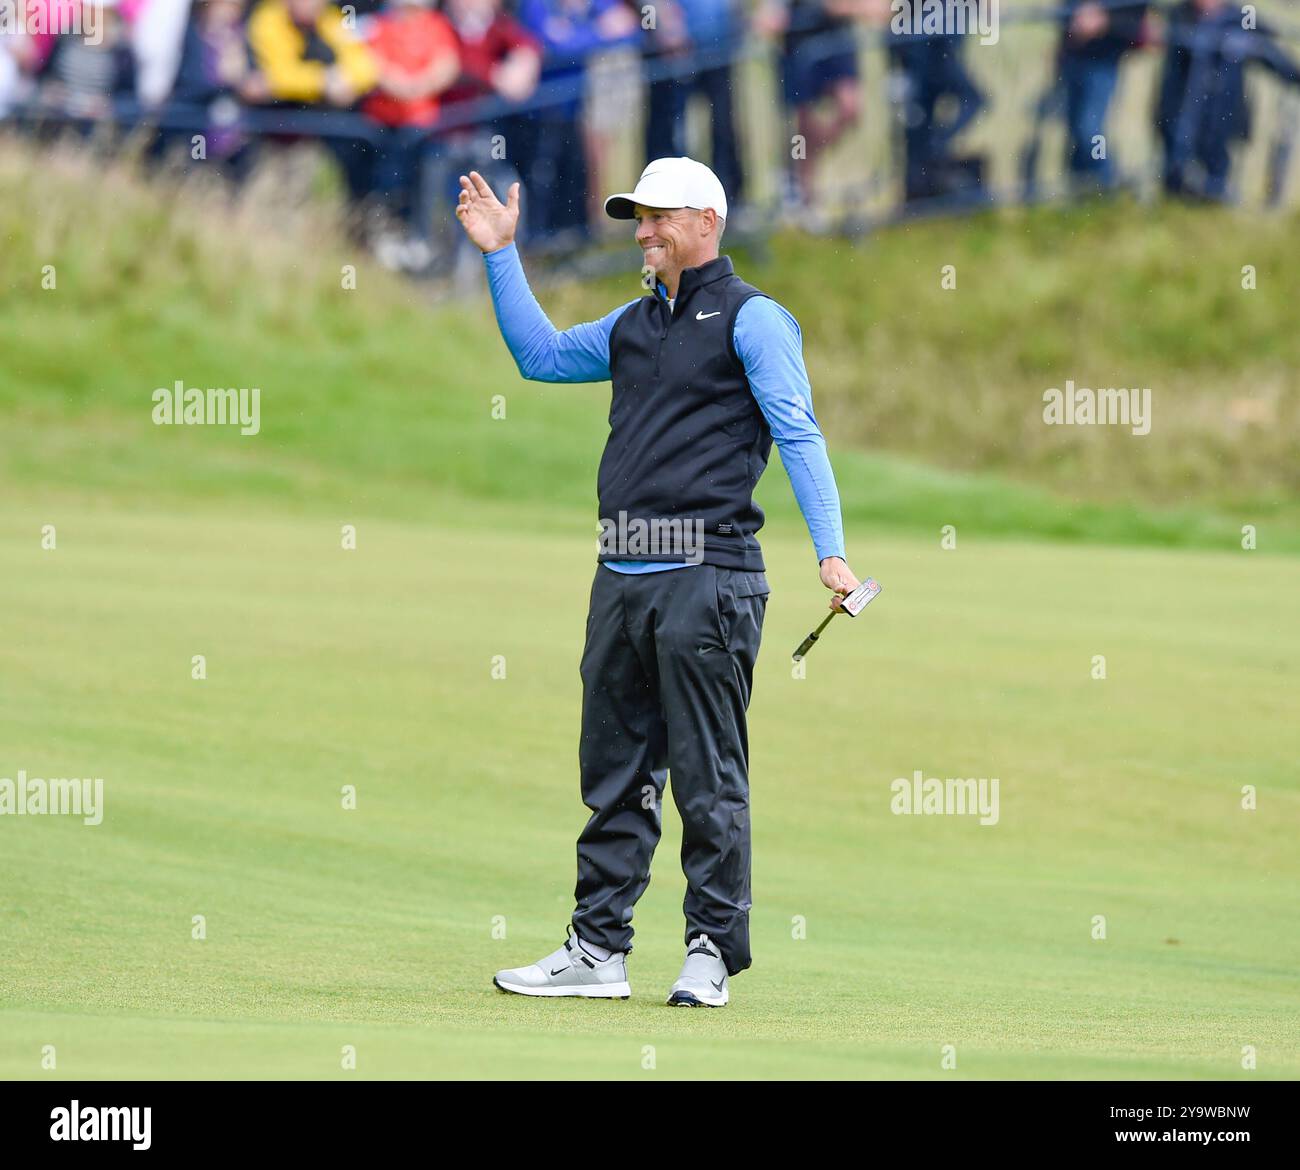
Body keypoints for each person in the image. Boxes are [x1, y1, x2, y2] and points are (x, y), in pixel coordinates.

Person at [455, 157, 861, 1006]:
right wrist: (501, 253)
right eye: (636, 219)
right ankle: (598, 951)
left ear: (706, 221)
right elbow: (538, 356)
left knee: (708, 777)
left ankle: (711, 953)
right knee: (614, 772)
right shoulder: (635, 322)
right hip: (622, 573)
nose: (643, 232)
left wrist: (830, 552)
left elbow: (798, 431)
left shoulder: (754, 319)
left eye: (658, 218)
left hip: (709, 575)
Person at [1156, 0, 1300, 200]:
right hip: (1180, 115)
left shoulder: (1241, 19)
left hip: (1222, 116)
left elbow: (1273, 56)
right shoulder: (1179, 14)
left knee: (1215, 178)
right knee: (1175, 176)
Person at [246, 0, 379, 202]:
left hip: (322, 132)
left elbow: (365, 66)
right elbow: (276, 75)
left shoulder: (331, 18)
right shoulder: (268, 18)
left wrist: (346, 81)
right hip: (274, 132)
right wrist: (324, 81)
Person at [1055, 0, 1149, 187]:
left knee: (1091, 130)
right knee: (1076, 128)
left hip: (1104, 60)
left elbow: (1134, 18)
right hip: (1074, 56)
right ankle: (1083, 185)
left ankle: (1106, 178)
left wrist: (1105, 21)